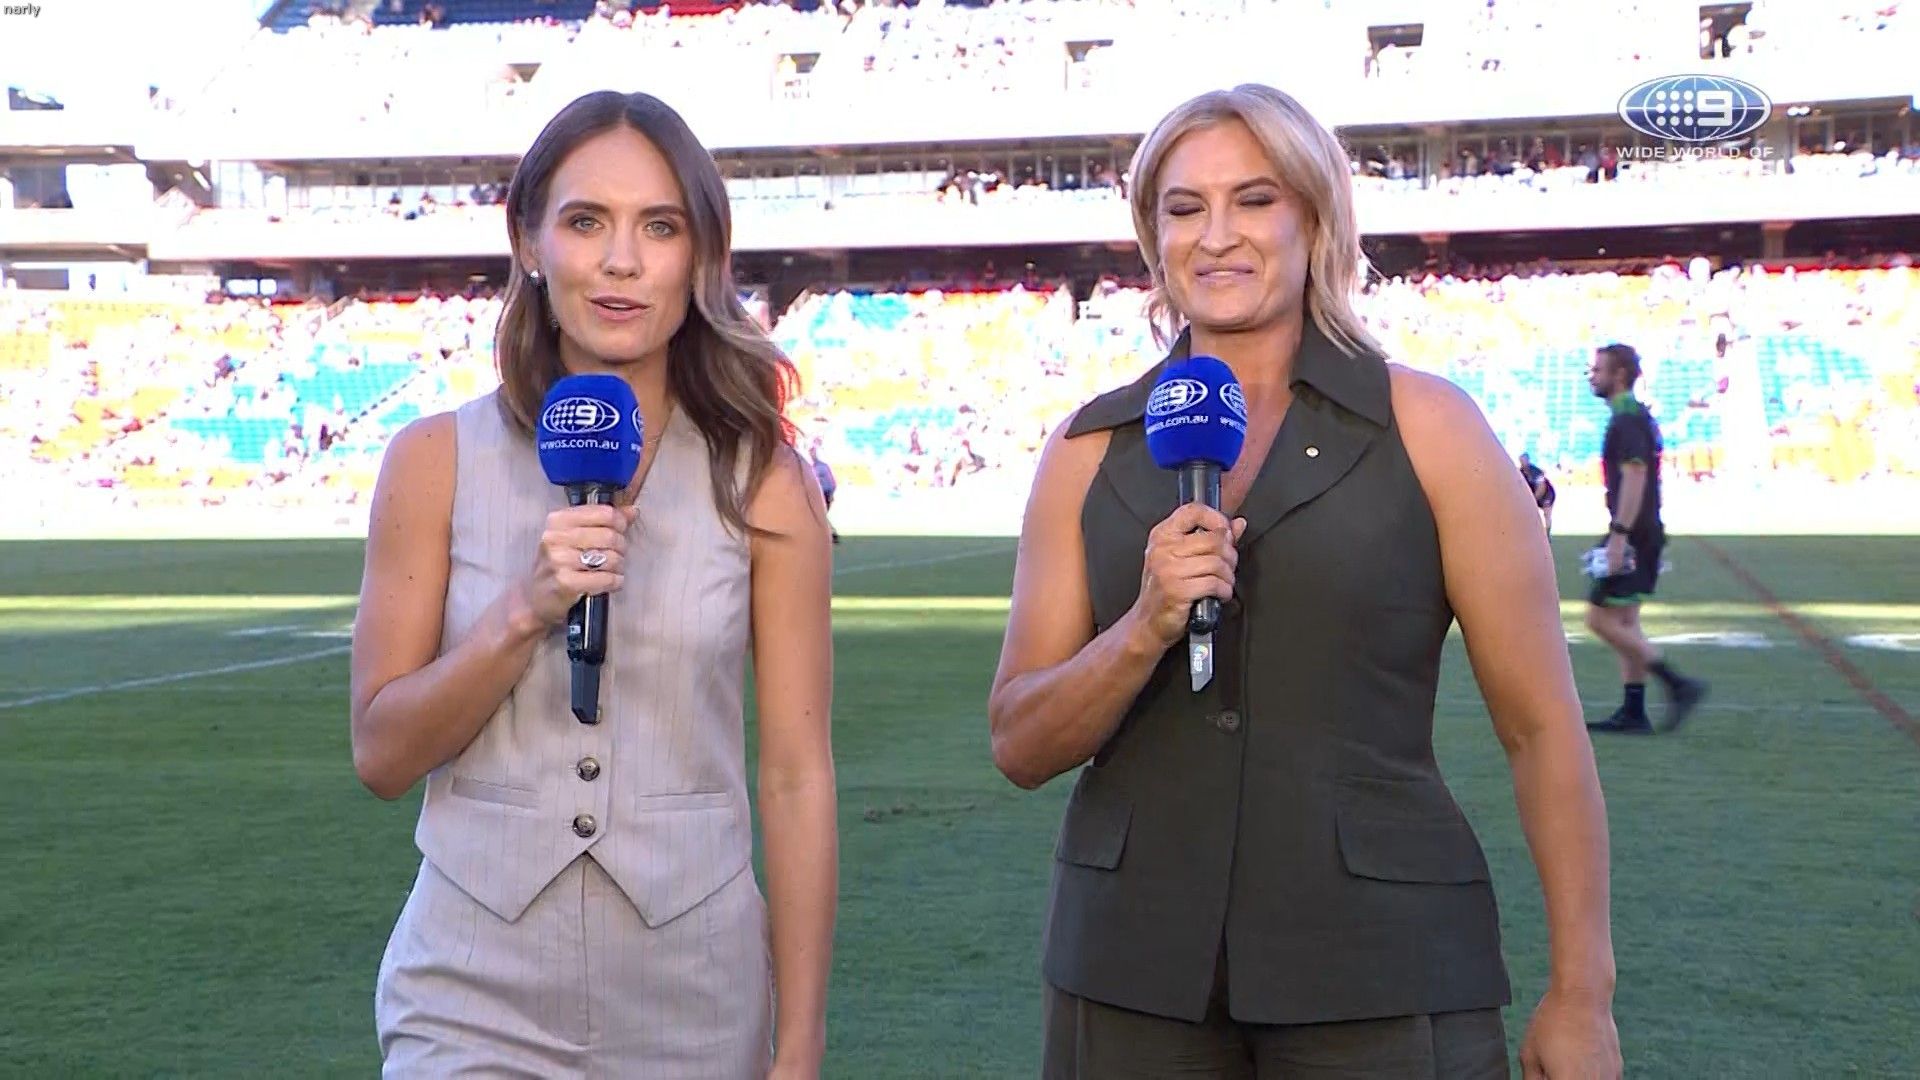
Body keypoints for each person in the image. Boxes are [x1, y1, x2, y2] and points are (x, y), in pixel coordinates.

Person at [987, 84, 1622, 1079]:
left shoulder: (1432, 429)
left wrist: (1583, 993)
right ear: (1153, 237)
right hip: (1129, 979)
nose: (1216, 235)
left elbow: (1540, 728)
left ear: (1316, 219)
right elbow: (1020, 743)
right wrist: (1144, 626)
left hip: (1385, 976)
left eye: (1255, 199)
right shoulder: (1085, 452)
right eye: (1184, 207)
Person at [349, 90, 837, 1078]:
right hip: (470, 995)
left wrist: (799, 1044)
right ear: (528, 241)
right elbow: (382, 756)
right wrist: (522, 612)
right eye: (585, 222)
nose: (622, 261)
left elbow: (795, 775)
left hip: (696, 997)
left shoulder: (768, 484)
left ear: (700, 256)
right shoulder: (432, 460)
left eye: (660, 226)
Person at [1582, 343, 1709, 735]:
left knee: (1599, 619)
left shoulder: (1628, 420)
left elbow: (1635, 475)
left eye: (1598, 370)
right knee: (1625, 619)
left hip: (1634, 532)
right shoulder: (1634, 416)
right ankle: (1634, 711)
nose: (1591, 376)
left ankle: (1677, 684)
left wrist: (1619, 537)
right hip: (1642, 528)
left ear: (1619, 375)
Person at [809, 437, 840, 543]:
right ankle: (829, 534)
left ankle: (832, 534)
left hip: (825, 494)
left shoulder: (821, 466)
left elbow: (832, 483)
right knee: (819, 515)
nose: (811, 455)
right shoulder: (814, 466)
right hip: (821, 494)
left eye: (813, 453)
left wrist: (831, 495)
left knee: (819, 515)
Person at [1520, 451, 1556, 535]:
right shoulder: (1521, 472)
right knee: (1529, 514)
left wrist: (1533, 500)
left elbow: (1541, 488)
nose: (1522, 463)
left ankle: (1547, 535)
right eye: (1521, 461)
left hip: (1547, 494)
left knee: (1547, 514)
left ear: (1528, 460)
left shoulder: (1536, 471)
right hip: (1534, 495)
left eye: (1524, 460)